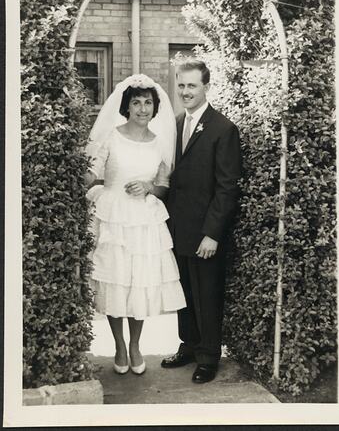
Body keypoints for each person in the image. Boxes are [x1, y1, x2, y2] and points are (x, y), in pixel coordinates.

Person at [85, 74, 186, 376]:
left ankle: (135, 345)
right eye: (136, 103)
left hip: (144, 221)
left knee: (139, 282)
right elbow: (91, 173)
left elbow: (164, 185)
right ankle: (118, 344)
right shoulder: (111, 136)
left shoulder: (160, 144)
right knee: (116, 281)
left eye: (148, 103)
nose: (142, 109)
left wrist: (149, 187)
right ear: (126, 107)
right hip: (114, 218)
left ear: (155, 108)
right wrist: (95, 185)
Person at [161, 60, 242, 384]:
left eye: (191, 86)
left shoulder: (223, 128)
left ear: (206, 86)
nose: (185, 92)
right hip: (178, 227)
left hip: (205, 232)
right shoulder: (175, 123)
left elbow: (227, 187)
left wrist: (212, 234)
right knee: (184, 293)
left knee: (207, 293)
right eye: (181, 85)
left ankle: (208, 356)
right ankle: (189, 346)